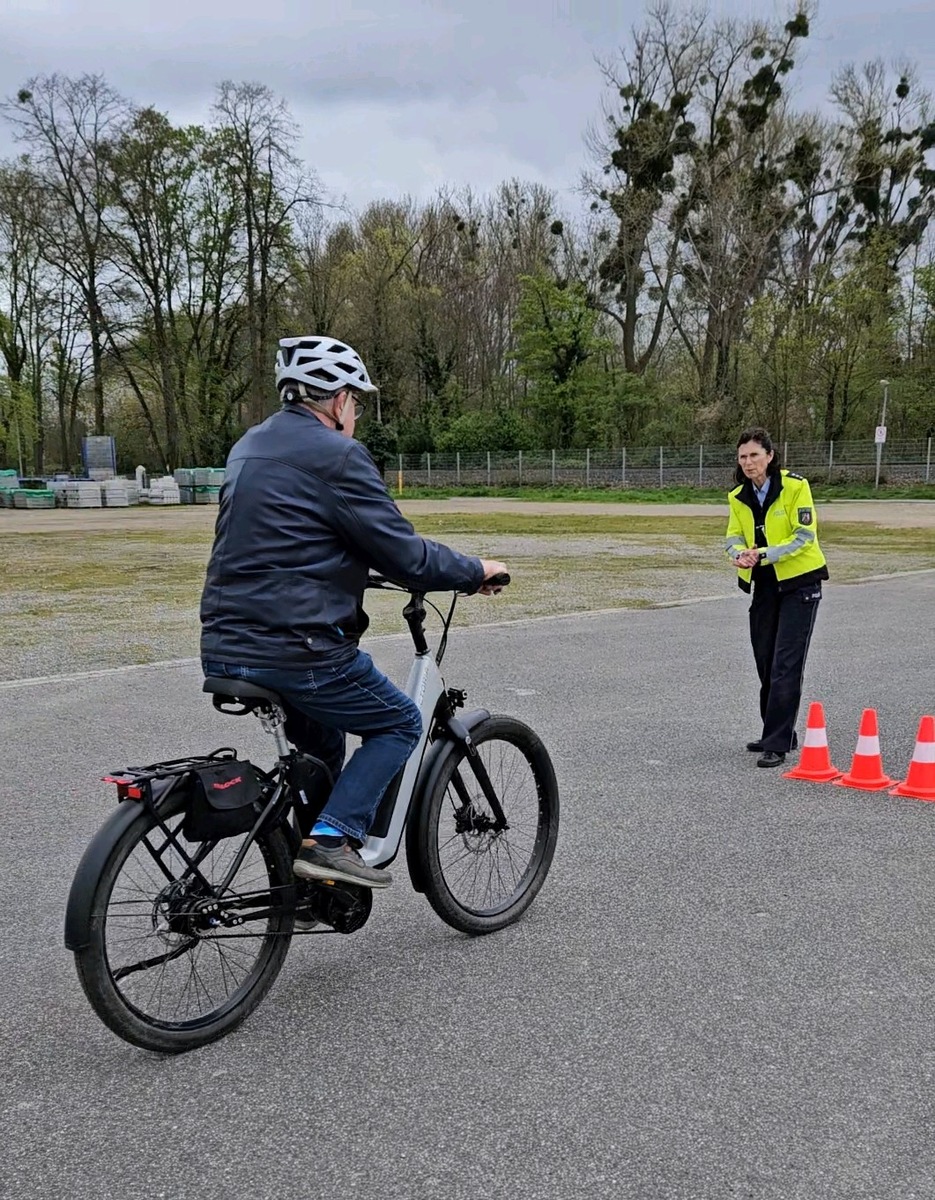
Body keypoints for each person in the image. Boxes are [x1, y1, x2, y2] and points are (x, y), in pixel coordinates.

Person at [200, 335, 508, 887]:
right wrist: (474, 570)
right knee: (399, 722)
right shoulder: (338, 454)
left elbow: (286, 541)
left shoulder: (249, 445)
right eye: (357, 401)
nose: (357, 413)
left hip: (226, 645)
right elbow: (406, 554)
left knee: (322, 745)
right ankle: (329, 841)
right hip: (299, 647)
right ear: (339, 400)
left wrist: (345, 567)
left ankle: (306, 869)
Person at [724, 427, 828, 768]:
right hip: (765, 585)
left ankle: (777, 743)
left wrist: (764, 554)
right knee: (765, 661)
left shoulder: (796, 487)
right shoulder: (738, 496)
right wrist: (739, 553)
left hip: (800, 583)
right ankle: (779, 729)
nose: (749, 462)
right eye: (743, 456)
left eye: (755, 455)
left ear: (769, 455)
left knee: (786, 664)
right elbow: (732, 537)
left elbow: (804, 537)